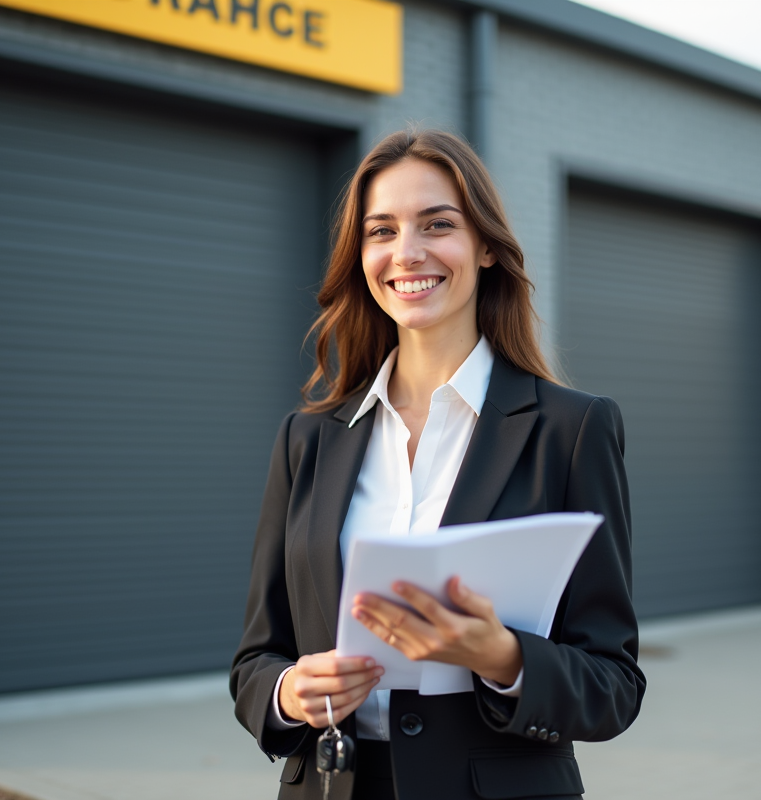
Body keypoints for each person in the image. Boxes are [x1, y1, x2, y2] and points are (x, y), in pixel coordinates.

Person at [230, 129, 645, 800]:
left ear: (485, 247)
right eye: (382, 231)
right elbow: (255, 660)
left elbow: (613, 685)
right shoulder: (306, 439)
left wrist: (500, 657)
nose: (407, 252)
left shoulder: (572, 430)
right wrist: (288, 692)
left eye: (436, 225)